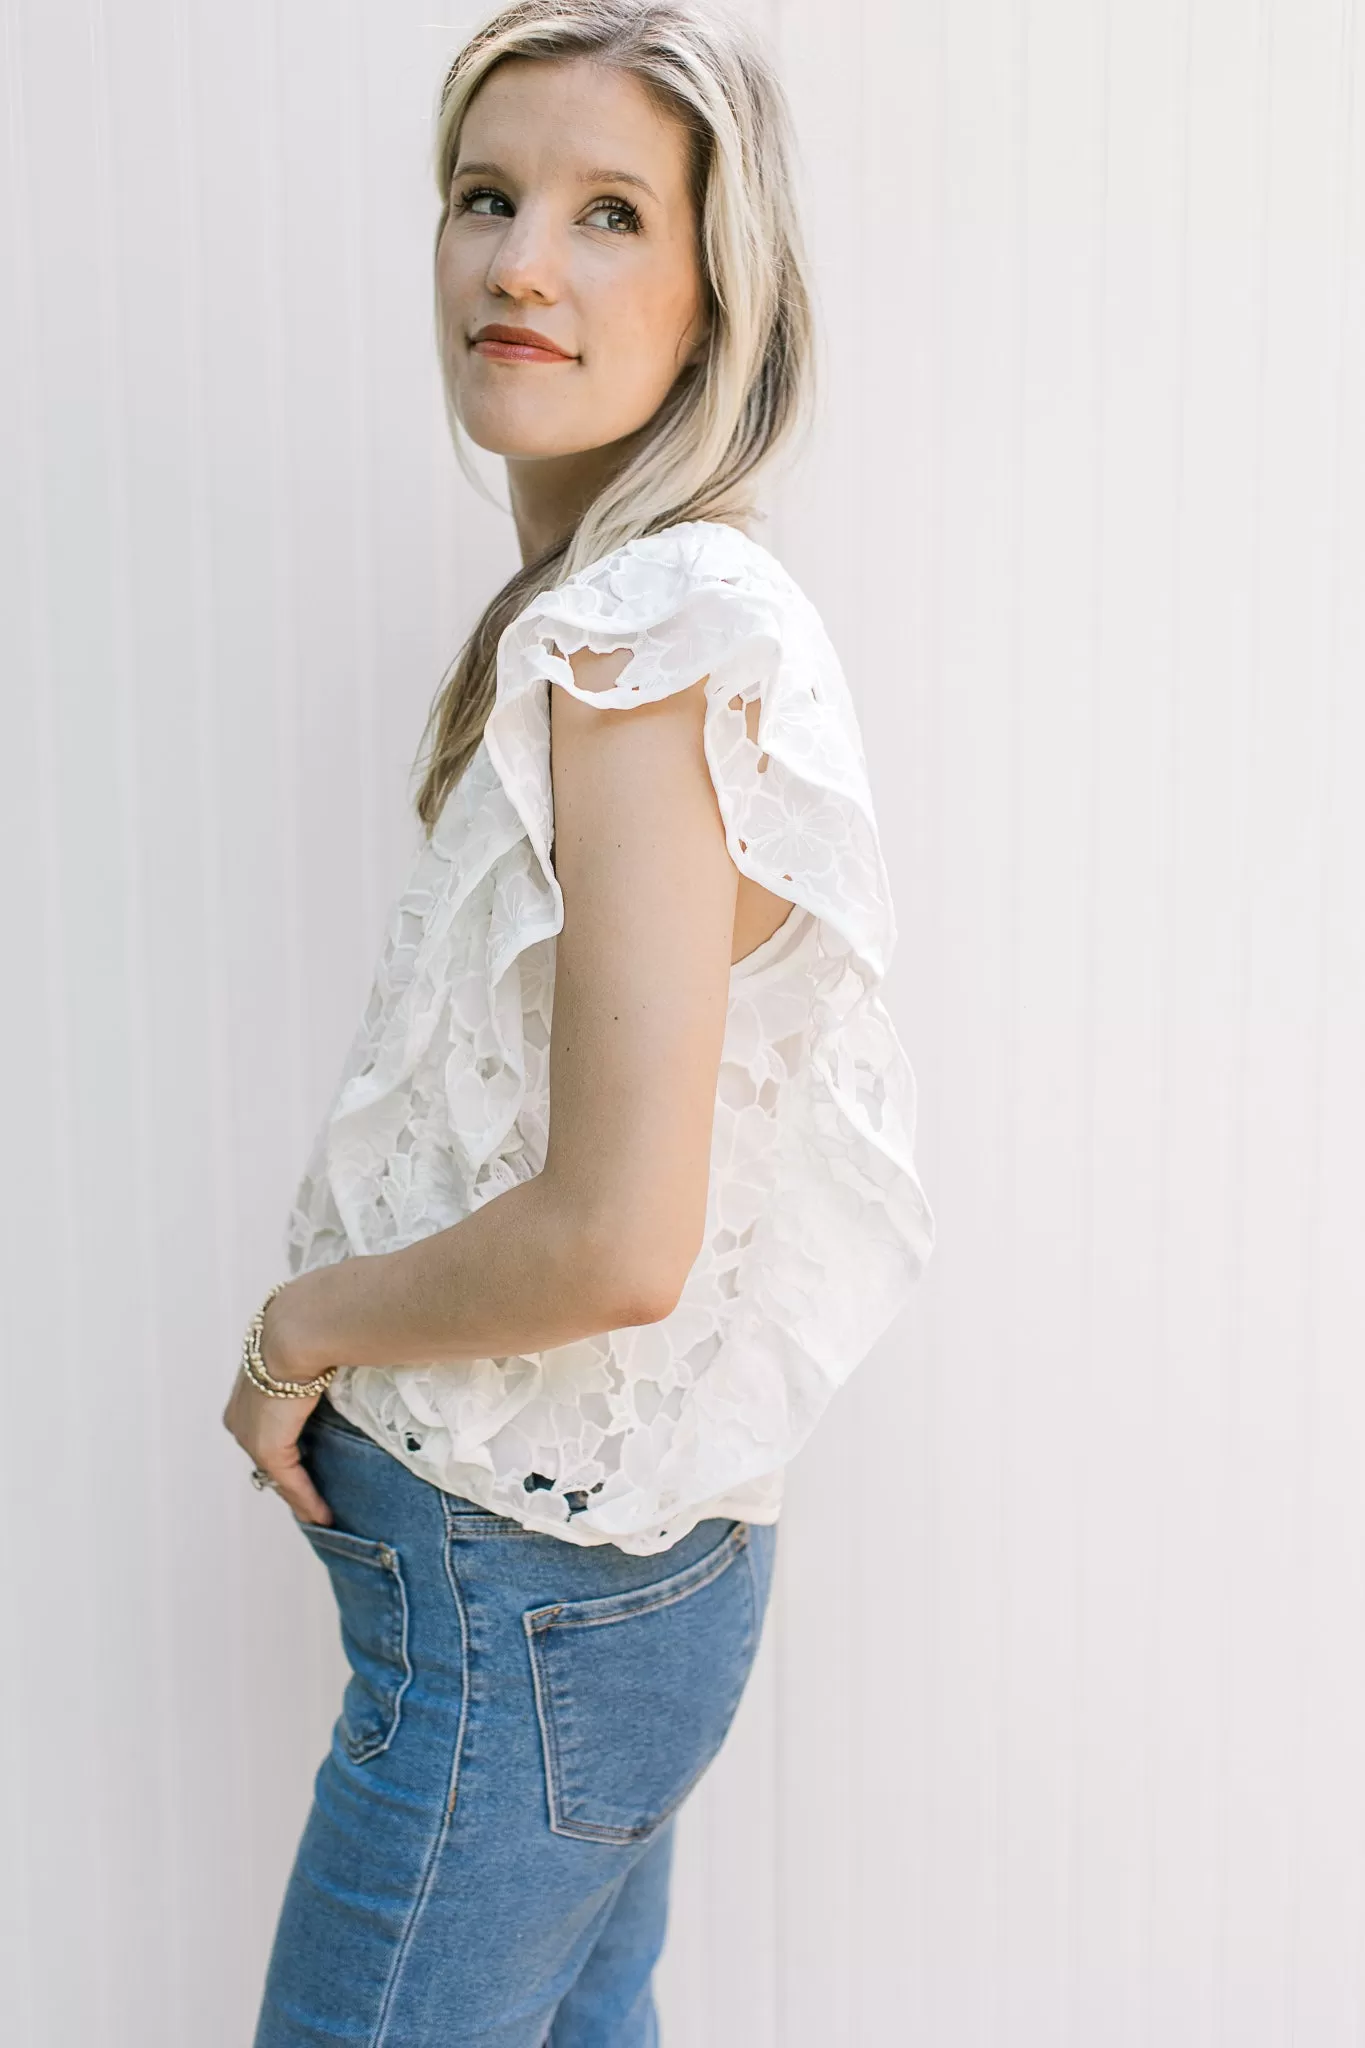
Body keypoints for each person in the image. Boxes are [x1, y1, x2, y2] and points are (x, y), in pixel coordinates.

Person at [224, 3, 935, 2041]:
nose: (521, 260)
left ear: (723, 291)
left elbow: (617, 1233)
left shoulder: (645, 641)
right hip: (609, 1593)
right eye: (486, 195)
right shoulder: (649, 616)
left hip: (513, 1610)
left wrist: (300, 1332)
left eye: (611, 212)